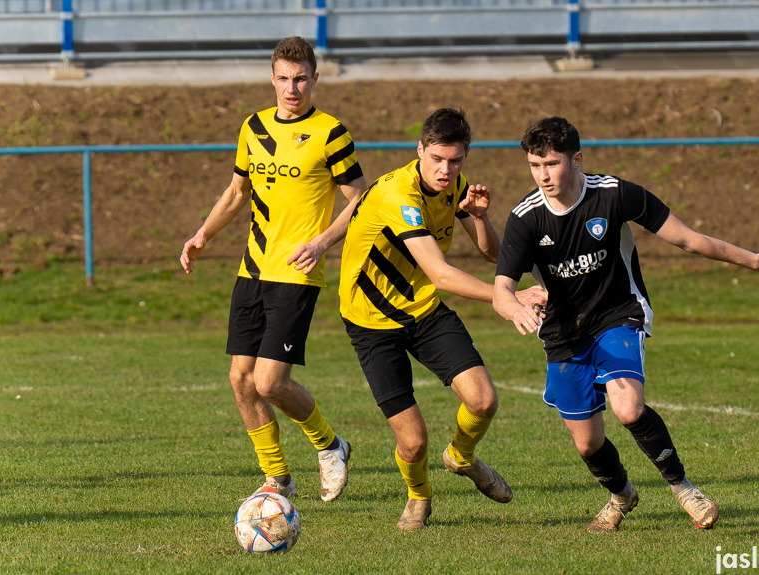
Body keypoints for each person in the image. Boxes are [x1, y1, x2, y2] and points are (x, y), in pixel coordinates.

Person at [493, 116, 759, 533]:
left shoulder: (614, 194)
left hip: (618, 313)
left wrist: (755, 261)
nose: (543, 175)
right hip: (564, 332)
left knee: (628, 406)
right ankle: (621, 494)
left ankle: (685, 489)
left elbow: (687, 239)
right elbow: (501, 289)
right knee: (587, 442)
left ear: (577, 160)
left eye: (552, 164)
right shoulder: (525, 218)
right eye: (534, 165)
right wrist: (516, 310)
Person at [338, 108, 546, 531]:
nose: (446, 170)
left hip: (424, 310)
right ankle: (418, 498)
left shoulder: (458, 188)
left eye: (455, 161)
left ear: (465, 157)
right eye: (437, 159)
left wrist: (481, 217)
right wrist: (507, 296)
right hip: (372, 322)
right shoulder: (399, 193)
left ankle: (461, 457)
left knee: (484, 400)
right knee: (413, 444)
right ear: (419, 151)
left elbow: (492, 254)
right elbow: (442, 274)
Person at [180, 36, 366, 502]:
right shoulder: (254, 127)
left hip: (297, 273)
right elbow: (236, 192)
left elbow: (361, 199)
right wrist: (203, 234)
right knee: (241, 380)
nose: (292, 88)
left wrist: (322, 241)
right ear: (272, 79)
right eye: (283, 78)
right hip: (253, 269)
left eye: (301, 78)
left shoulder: (330, 133)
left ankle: (330, 445)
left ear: (315, 79)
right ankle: (276, 477)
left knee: (270, 381)